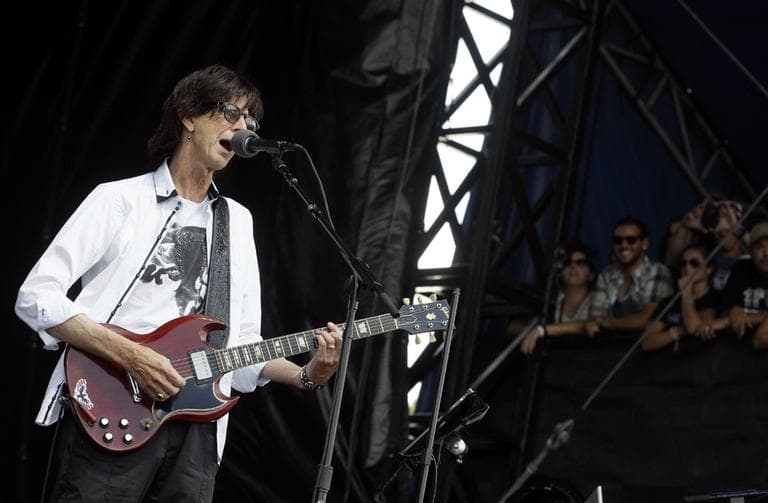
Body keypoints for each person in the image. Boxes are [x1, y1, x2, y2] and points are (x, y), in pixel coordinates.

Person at [14, 64, 343, 502]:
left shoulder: (237, 222)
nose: (243, 127)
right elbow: (37, 296)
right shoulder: (119, 200)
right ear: (189, 115)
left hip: (197, 432)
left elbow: (240, 345)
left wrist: (306, 375)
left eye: (250, 120)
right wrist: (133, 357)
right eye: (231, 112)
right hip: (112, 405)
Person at [586, 216, 674, 337]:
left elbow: (649, 319)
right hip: (606, 349)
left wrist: (607, 322)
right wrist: (602, 322)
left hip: (644, 349)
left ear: (645, 244)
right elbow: (593, 319)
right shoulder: (606, 275)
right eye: (618, 240)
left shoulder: (658, 271)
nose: (624, 245)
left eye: (631, 240)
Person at [641, 243, 727, 351]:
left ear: (709, 269)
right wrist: (680, 330)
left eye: (694, 263)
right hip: (668, 362)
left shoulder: (717, 298)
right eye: (683, 264)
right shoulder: (669, 302)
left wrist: (686, 293)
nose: (687, 267)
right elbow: (647, 342)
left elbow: (694, 328)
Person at [521, 240, 597, 354]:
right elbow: (513, 327)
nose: (573, 266)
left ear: (591, 275)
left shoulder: (597, 299)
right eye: (567, 263)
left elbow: (588, 325)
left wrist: (543, 330)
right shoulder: (550, 299)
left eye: (580, 263)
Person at [663, 198, 748, 291]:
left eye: (728, 219)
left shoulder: (749, 261)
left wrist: (737, 229)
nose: (723, 225)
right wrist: (686, 226)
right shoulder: (703, 257)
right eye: (719, 217)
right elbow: (670, 266)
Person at [721, 221, 768, 349]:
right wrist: (734, 310)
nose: (766, 253)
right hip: (736, 348)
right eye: (760, 247)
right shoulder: (741, 268)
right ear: (751, 251)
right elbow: (730, 311)